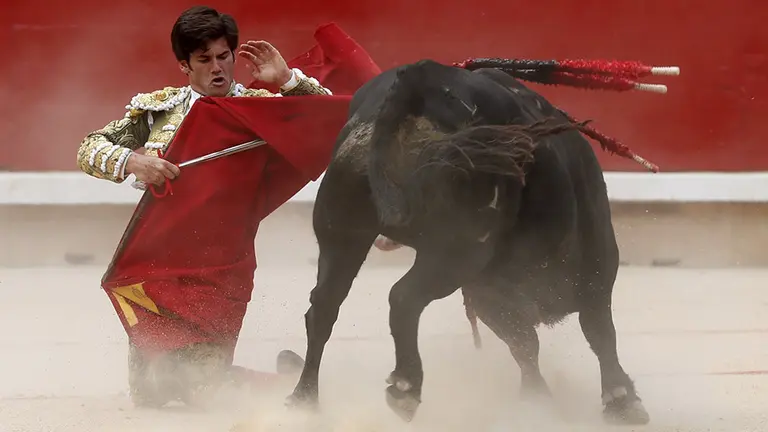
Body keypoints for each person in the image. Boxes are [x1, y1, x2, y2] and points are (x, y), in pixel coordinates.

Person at [75, 5, 330, 408]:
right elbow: (89, 148)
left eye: (224, 56)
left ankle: (291, 387)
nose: (218, 68)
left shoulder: (260, 107)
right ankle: (286, 380)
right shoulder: (160, 109)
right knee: (151, 394)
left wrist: (289, 81)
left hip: (222, 264)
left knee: (203, 389)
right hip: (158, 262)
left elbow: (331, 124)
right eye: (204, 59)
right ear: (184, 65)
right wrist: (134, 161)